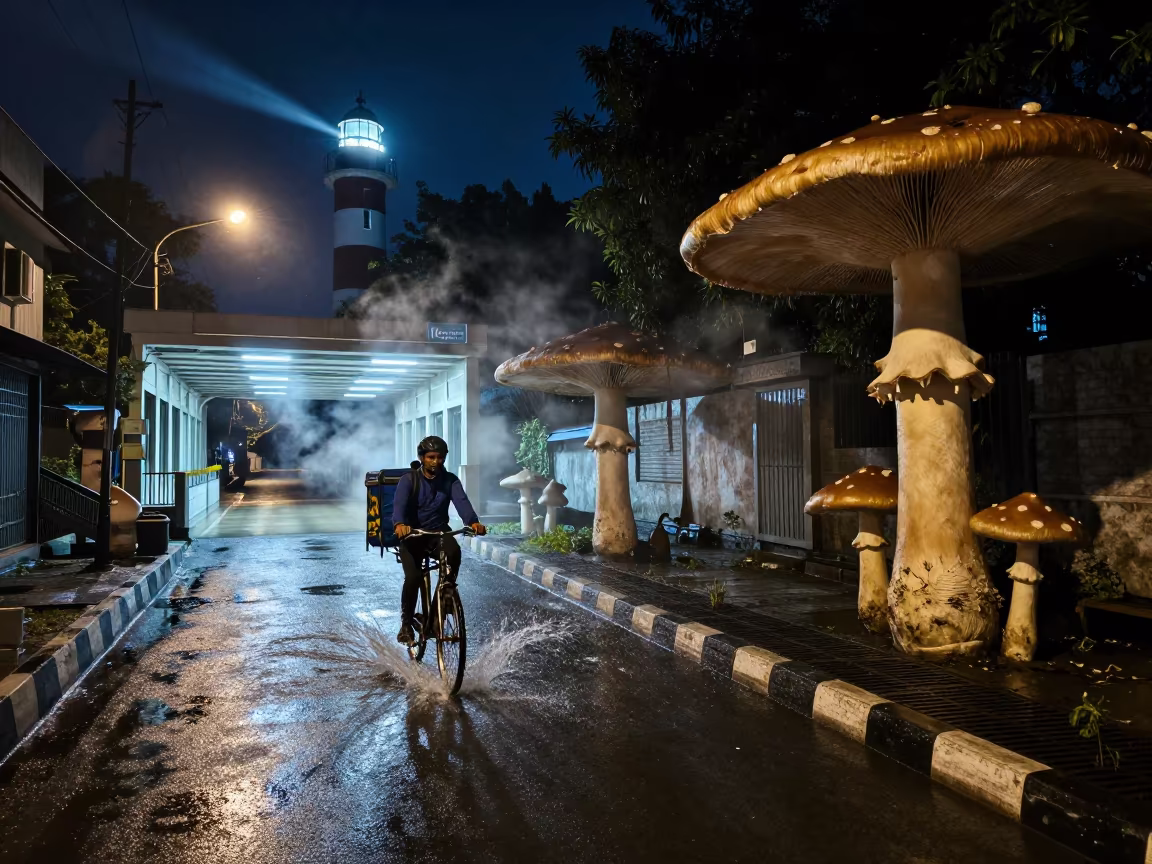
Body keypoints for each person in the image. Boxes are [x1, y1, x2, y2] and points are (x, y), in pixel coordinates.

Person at [392, 435, 486, 644]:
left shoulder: (450, 480)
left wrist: (473, 522)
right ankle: (406, 625)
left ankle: (437, 615)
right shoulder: (409, 480)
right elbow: (398, 506)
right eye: (431, 457)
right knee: (414, 577)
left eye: (440, 457)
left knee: (454, 554)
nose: (436, 462)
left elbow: (462, 502)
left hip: (438, 532)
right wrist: (400, 525)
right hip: (412, 535)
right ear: (422, 458)